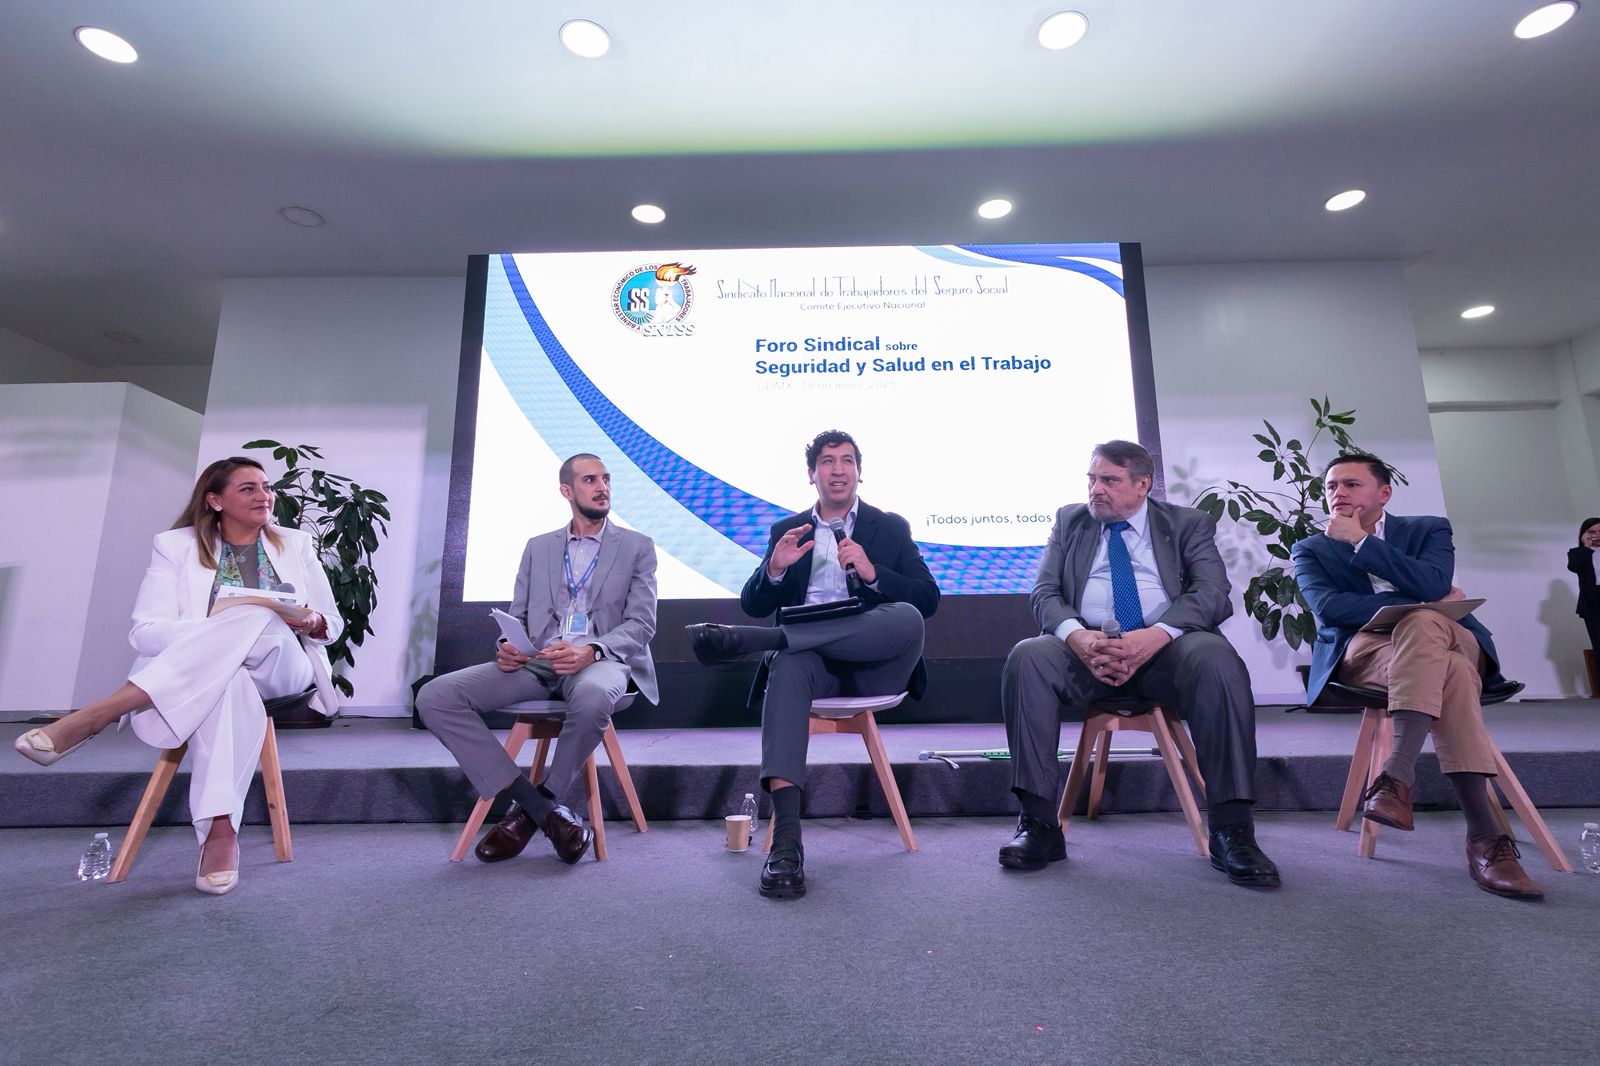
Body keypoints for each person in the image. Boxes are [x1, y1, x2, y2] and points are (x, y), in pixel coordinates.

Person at [14, 457, 342, 895]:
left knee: (258, 615)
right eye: (248, 488)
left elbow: (331, 624)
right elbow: (145, 632)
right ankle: (220, 832)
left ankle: (99, 713)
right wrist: (221, 630)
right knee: (229, 680)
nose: (264, 496)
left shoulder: (295, 543)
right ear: (215, 500)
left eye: (266, 487)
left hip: (281, 666)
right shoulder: (175, 546)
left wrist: (310, 621)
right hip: (211, 675)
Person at [999, 440, 1280, 888]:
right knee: (1028, 656)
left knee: (1215, 658)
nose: (1096, 489)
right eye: (1092, 479)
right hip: (1087, 650)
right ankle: (1038, 825)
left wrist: (1156, 635)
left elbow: (1212, 594)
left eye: (1109, 480)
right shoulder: (1070, 521)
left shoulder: (1186, 523)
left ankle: (1232, 831)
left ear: (1142, 484)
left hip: (1165, 651)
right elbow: (1044, 593)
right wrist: (1078, 636)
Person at [686, 429, 939, 899]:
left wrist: (873, 574)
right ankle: (786, 845)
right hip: (812, 665)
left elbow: (928, 599)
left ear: (859, 472)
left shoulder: (890, 528)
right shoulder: (789, 530)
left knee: (905, 616)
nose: (838, 470)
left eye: (846, 461)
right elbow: (753, 602)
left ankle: (764, 642)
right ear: (811, 474)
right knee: (786, 665)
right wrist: (775, 569)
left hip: (873, 662)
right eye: (827, 461)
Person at [1294, 453, 1541, 900]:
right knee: (1447, 662)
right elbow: (1331, 609)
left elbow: (1433, 580)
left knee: (1427, 629)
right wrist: (1425, 602)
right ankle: (1485, 839)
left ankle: (1396, 775)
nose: (1337, 494)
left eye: (1351, 484)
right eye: (1330, 486)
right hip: (1369, 648)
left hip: (1450, 636)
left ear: (1384, 493)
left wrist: (1363, 543)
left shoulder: (1429, 529)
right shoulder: (1311, 547)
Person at [416, 454, 657, 866]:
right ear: (567, 491)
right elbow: (519, 616)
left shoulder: (637, 546)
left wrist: (591, 650)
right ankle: (542, 810)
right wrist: (507, 644)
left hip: (600, 660)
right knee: (435, 697)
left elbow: (642, 623)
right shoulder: (538, 547)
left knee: (594, 696)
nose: (602, 487)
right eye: (590, 480)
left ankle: (532, 811)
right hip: (539, 660)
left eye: (606, 479)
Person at [1565, 517, 1600, 657]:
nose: (1597, 535)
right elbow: (1574, 567)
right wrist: (1586, 547)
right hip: (1593, 605)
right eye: (1592, 531)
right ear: (1584, 534)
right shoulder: (1578, 553)